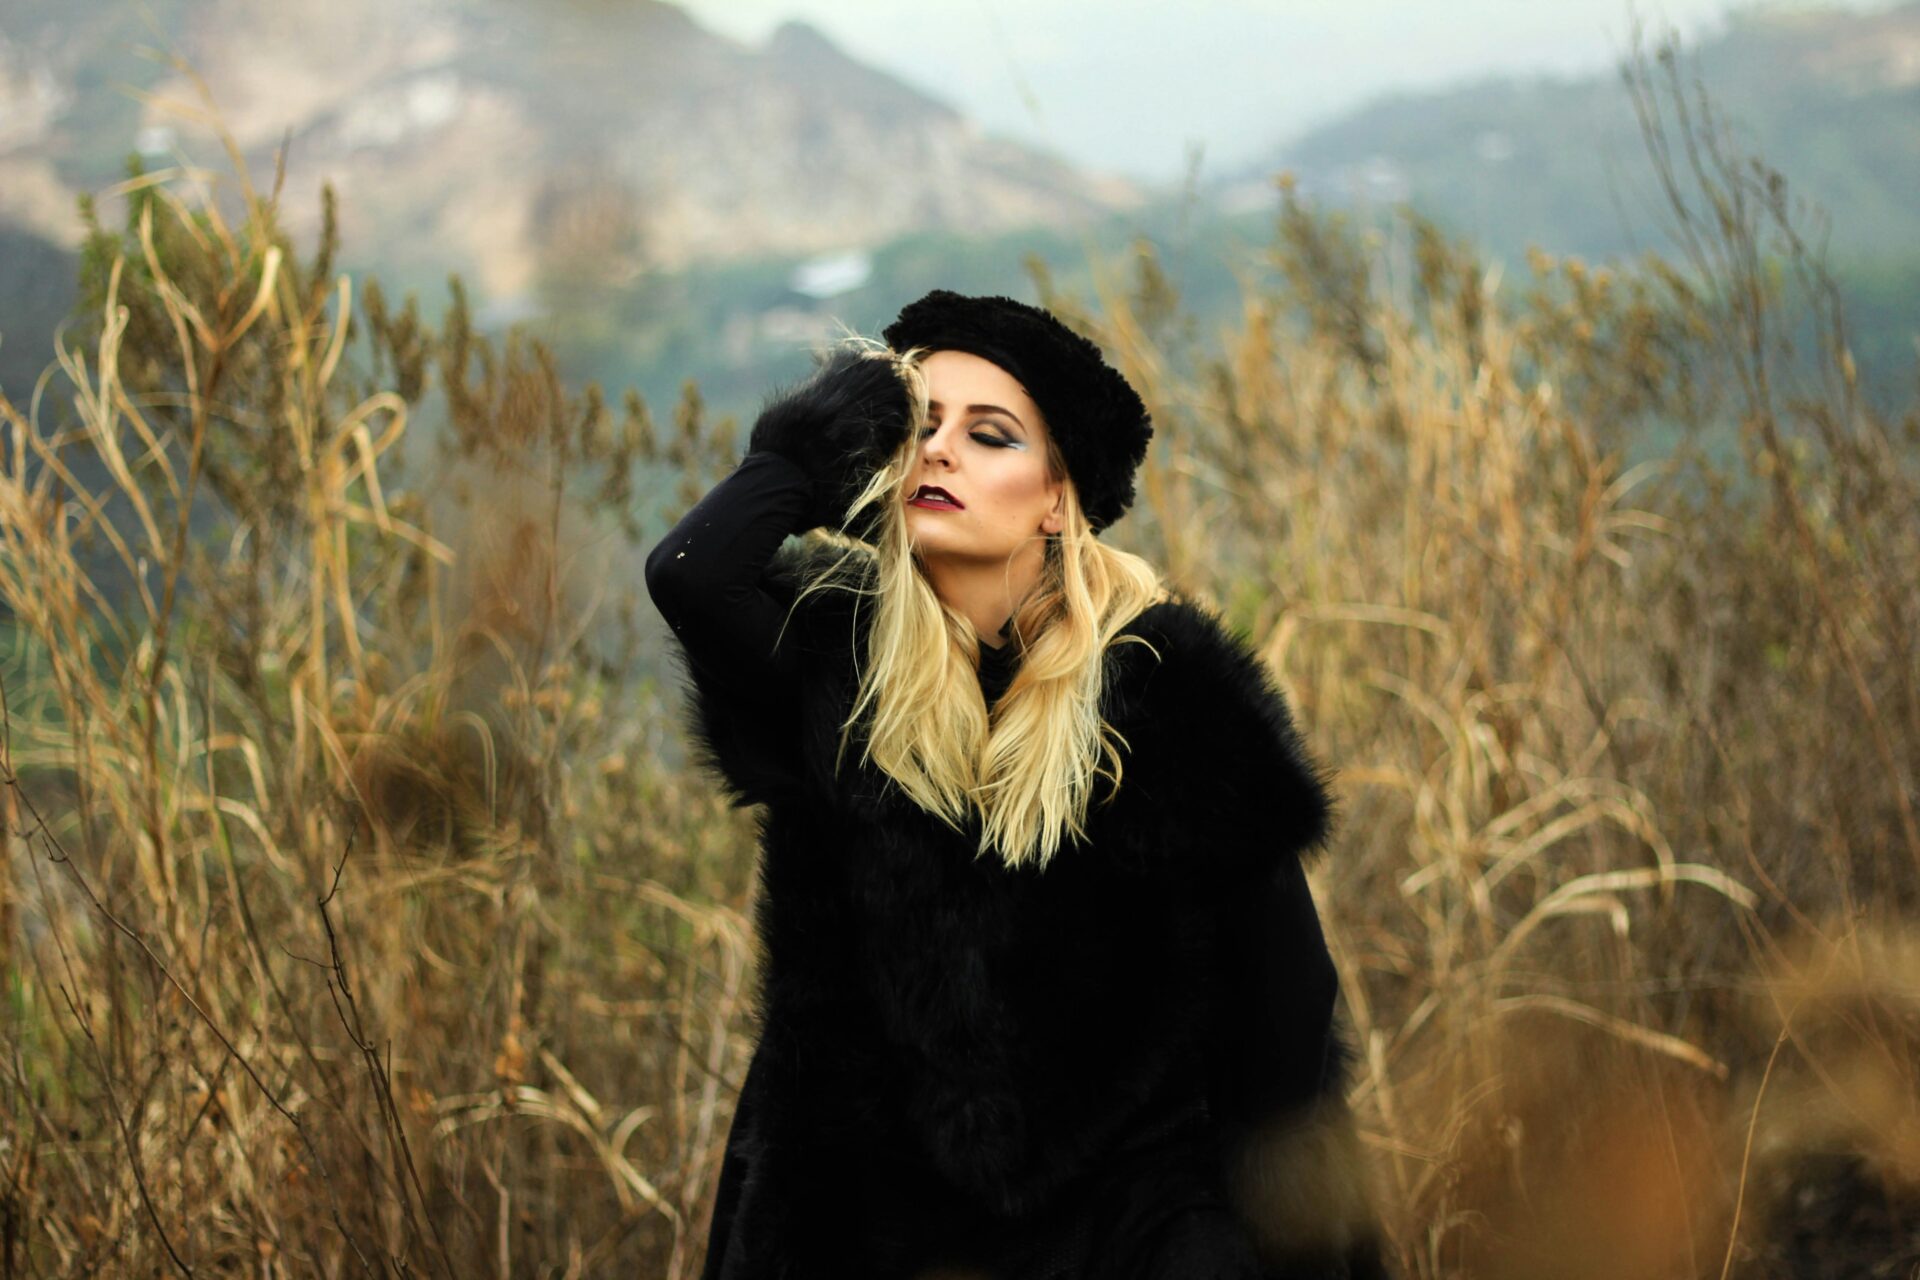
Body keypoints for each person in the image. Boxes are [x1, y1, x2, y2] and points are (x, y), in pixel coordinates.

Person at [645, 290, 1387, 1279]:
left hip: (1133, 1238)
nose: (939, 452)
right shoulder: (838, 671)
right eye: (919, 428)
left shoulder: (1166, 700)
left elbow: (1286, 1021)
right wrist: (818, 443)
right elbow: (692, 573)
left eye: (988, 434)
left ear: (1057, 498)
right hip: (885, 1241)